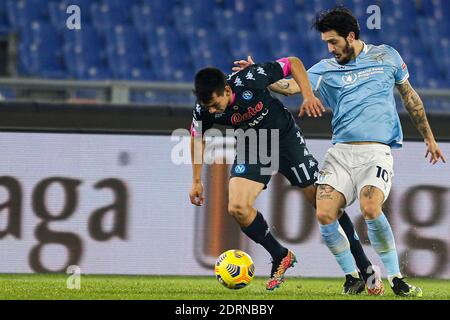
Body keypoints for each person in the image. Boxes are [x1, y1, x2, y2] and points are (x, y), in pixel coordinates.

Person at [238, 7, 446, 296]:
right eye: (326, 43)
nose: (330, 48)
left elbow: (410, 96)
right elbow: (290, 86)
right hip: (341, 152)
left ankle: (397, 279)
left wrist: (430, 139)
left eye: (333, 41)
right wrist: (258, 77)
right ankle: (353, 276)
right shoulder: (325, 70)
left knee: (370, 208)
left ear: (351, 36)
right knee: (324, 214)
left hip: (376, 152)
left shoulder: (387, 56)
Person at [189, 55, 382, 293]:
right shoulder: (203, 110)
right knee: (237, 207)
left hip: (286, 139)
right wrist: (196, 180)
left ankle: (363, 267)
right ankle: (280, 255)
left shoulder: (251, 78)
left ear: (227, 90)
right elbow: (197, 139)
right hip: (255, 145)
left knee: (324, 204)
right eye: (208, 106)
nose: (212, 110)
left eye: (215, 104)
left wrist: (308, 94)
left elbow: (293, 62)